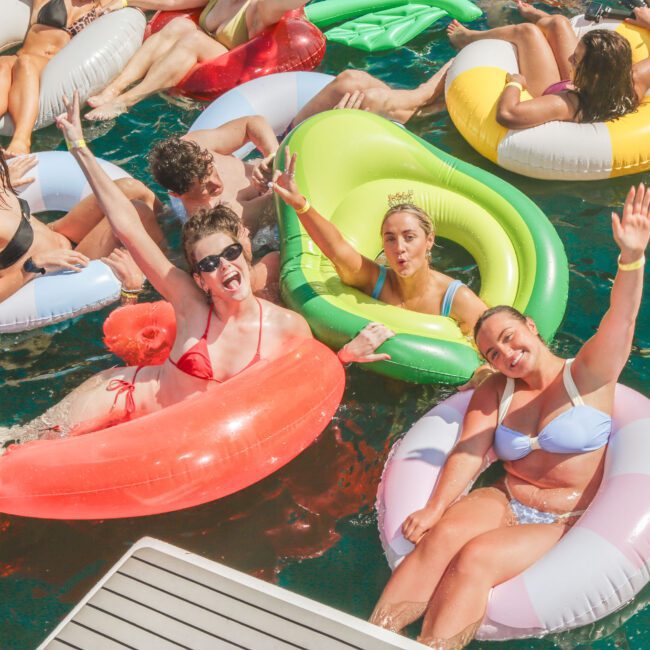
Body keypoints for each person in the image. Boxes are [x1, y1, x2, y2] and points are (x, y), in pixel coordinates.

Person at [0, 92, 384, 450]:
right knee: (23, 446)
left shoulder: (287, 326)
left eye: (230, 253)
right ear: (199, 277)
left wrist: (347, 355)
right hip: (124, 396)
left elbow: (310, 375)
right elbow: (128, 228)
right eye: (209, 264)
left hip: (181, 434)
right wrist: (79, 147)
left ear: (243, 248)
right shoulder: (190, 304)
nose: (224, 267)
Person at [369, 181, 649, 648]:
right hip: (505, 496)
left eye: (509, 337)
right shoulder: (495, 391)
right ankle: (369, 636)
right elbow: (469, 453)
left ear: (531, 327)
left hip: (566, 515)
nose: (506, 354)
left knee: (475, 558)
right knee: (439, 537)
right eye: (492, 352)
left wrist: (632, 258)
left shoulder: (588, 374)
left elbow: (621, 318)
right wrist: (436, 507)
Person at [291, 1, 650, 130]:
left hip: (557, 93)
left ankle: (424, 93)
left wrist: (514, 81)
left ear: (597, 70)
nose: (571, 58)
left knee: (350, 82)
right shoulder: (632, 81)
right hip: (587, 92)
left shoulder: (563, 103)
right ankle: (420, 102)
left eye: (577, 59)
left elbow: (509, 115)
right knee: (554, 25)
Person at [272, 148, 488, 351]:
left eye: (409, 237)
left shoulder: (457, 299)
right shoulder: (375, 281)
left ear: (429, 240)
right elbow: (337, 249)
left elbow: (490, 344)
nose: (399, 248)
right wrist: (300, 204)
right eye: (390, 239)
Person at [85, 0, 309, 120]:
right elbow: (173, 2)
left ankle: (125, 102)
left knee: (193, 38)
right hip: (195, 56)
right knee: (180, 25)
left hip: (231, 69)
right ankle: (114, 89)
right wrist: (126, 1)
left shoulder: (259, 8)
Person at [0, 152, 162, 303]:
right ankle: (168, 272)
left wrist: (4, 182)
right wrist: (31, 266)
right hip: (57, 272)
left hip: (57, 234)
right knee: (137, 211)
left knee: (131, 187)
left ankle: (173, 226)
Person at [0, 0, 120, 155]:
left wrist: (124, 2)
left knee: (25, 63)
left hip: (49, 65)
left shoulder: (103, 5)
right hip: (21, 55)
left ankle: (22, 140)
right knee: (3, 64)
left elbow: (162, 3)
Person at [148, 115, 280, 233]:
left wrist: (273, 156)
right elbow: (278, 200)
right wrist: (275, 178)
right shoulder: (223, 216)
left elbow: (251, 123)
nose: (217, 183)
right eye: (205, 186)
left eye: (212, 169)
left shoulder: (196, 146)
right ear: (176, 194)